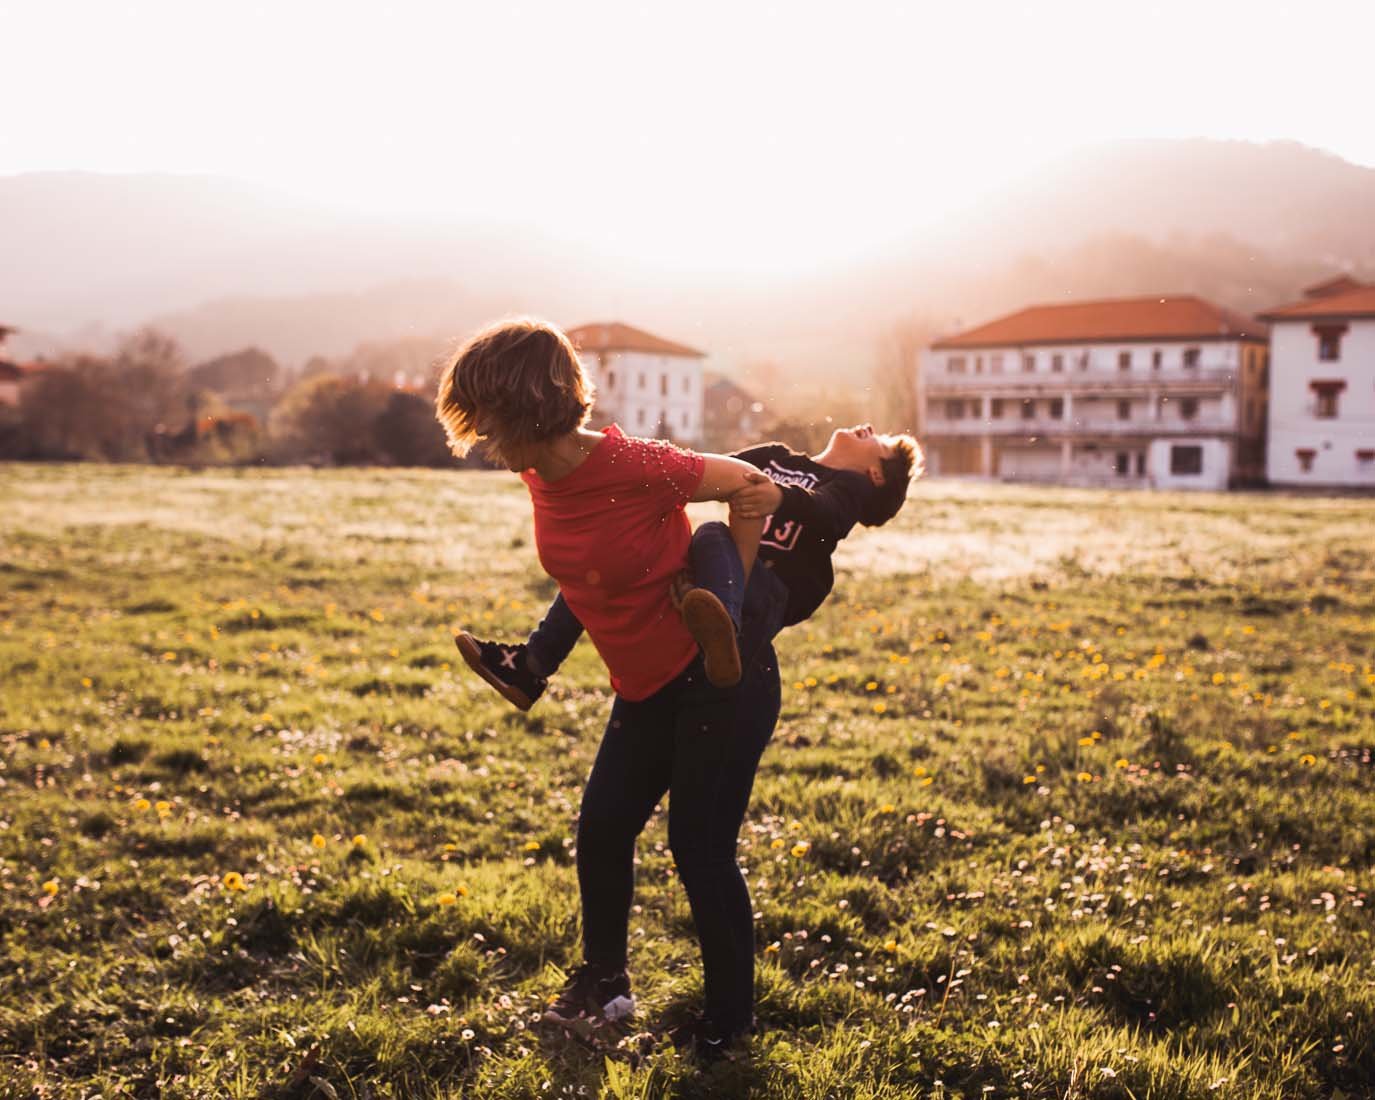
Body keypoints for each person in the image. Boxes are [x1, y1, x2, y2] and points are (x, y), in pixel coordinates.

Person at [434, 317, 788, 1058]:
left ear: (530, 407)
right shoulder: (539, 471)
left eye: (492, 421)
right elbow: (590, 571)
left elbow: (752, 487)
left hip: (719, 681)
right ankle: (604, 986)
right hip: (642, 684)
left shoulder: (637, 465)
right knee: (600, 831)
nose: (487, 442)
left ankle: (727, 1023)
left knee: (698, 850)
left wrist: (737, 593)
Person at [456, 424, 923, 712]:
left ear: (876, 475)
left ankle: (726, 632)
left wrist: (779, 498)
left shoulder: (847, 490)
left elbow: (827, 512)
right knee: (620, 554)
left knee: (711, 535)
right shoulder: (776, 456)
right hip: (713, 580)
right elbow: (698, 468)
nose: (865, 426)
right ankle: (533, 665)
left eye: (877, 440)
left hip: (764, 590)